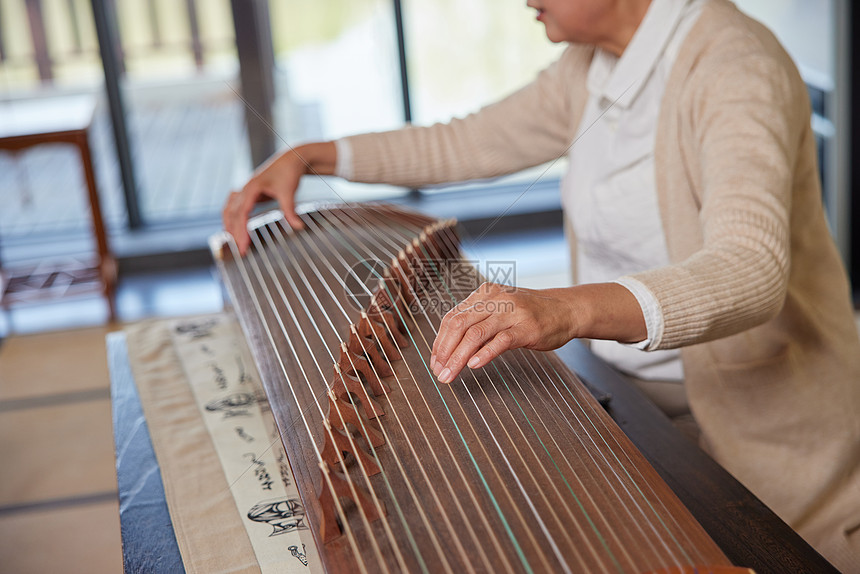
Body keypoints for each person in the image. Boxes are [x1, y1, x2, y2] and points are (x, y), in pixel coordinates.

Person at [223, 0, 860, 570]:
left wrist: (566, 308)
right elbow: (464, 142)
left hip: (766, 433)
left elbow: (751, 268)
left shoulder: (733, 64)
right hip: (627, 394)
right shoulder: (592, 66)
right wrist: (312, 155)